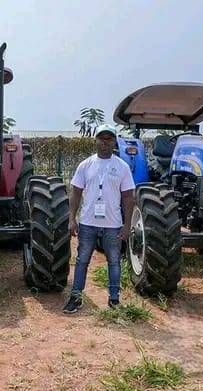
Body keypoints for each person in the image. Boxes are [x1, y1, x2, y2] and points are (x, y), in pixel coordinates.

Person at [63, 124, 135, 314]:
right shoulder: (86, 165)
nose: (105, 142)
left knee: (114, 262)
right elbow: (76, 193)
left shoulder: (122, 167)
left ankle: (114, 299)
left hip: (113, 225)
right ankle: (76, 298)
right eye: (101, 138)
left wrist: (127, 225)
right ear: (95, 141)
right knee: (82, 261)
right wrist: (72, 218)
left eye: (109, 138)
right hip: (88, 223)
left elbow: (128, 197)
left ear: (114, 142)